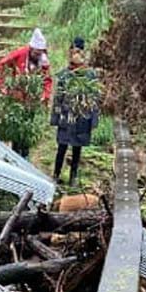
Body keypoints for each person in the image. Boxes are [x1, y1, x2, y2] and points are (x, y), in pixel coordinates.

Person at [0, 28, 54, 157]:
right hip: (17, 98)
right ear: (31, 49)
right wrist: (2, 86)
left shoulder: (43, 61)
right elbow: (0, 65)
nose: (38, 55)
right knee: (17, 128)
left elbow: (48, 80)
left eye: (40, 53)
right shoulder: (20, 53)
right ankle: (15, 155)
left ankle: (25, 156)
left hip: (32, 100)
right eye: (36, 53)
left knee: (27, 128)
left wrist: (45, 95)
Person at [50, 37, 100, 186]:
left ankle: (73, 176)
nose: (76, 55)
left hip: (81, 117)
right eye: (73, 53)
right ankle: (56, 174)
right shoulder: (64, 74)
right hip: (66, 116)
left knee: (77, 148)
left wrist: (94, 119)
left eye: (79, 53)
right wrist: (55, 117)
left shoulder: (89, 75)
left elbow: (94, 97)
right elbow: (58, 97)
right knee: (62, 146)